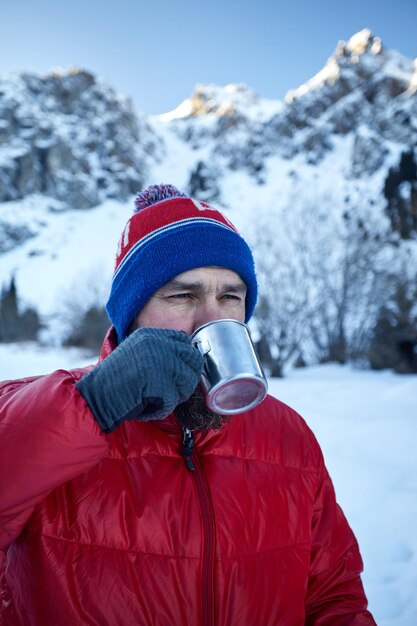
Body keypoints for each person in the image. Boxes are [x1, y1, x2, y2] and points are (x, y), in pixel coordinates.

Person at [0, 184, 376, 625]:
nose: (212, 319)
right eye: (183, 297)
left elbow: (335, 596)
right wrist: (92, 406)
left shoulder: (288, 435)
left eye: (230, 297)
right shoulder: (58, 412)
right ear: (133, 315)